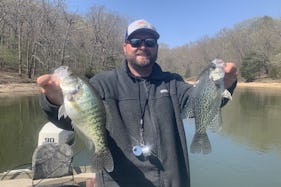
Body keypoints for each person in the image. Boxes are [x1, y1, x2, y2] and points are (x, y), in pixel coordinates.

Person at [37, 19, 238, 187]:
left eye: (149, 42)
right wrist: (54, 100)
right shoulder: (101, 84)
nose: (143, 46)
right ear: (125, 47)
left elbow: (198, 105)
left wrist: (223, 86)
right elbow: (69, 121)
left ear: (156, 48)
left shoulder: (174, 83)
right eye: (135, 41)